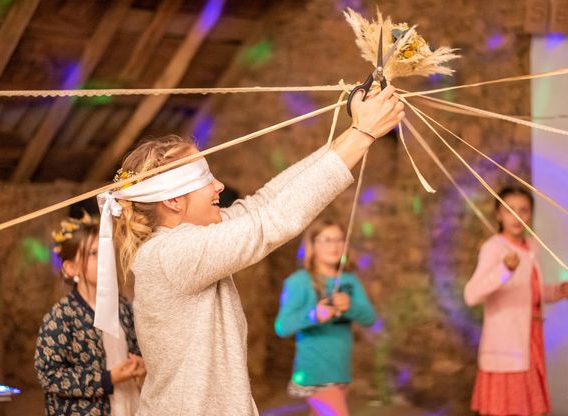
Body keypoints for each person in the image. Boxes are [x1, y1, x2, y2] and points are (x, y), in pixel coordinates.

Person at [93, 85, 404, 415]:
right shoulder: (171, 253)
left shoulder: (189, 238)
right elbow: (271, 221)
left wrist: (354, 131)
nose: (219, 186)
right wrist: (364, 133)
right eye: (206, 180)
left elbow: (264, 203)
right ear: (172, 200)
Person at [464, 187, 568, 416]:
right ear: (498, 215)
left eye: (523, 210)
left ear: (531, 214)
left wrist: (556, 292)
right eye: (510, 210)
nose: (517, 217)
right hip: (507, 344)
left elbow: (529, 292)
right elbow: (471, 294)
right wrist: (504, 270)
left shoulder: (531, 247)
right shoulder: (493, 248)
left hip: (531, 340)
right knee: (509, 410)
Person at [35, 212, 145, 416]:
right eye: (94, 253)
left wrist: (139, 364)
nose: (104, 257)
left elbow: (136, 348)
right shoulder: (61, 316)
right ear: (70, 268)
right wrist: (107, 379)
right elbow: (49, 375)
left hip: (129, 405)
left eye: (105, 250)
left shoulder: (121, 306)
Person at [275, 218, 376, 415]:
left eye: (339, 240)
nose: (334, 246)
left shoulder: (349, 280)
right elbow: (282, 326)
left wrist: (350, 305)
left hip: (340, 372)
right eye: (327, 240)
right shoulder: (299, 282)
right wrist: (314, 316)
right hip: (314, 374)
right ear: (313, 244)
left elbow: (370, 318)